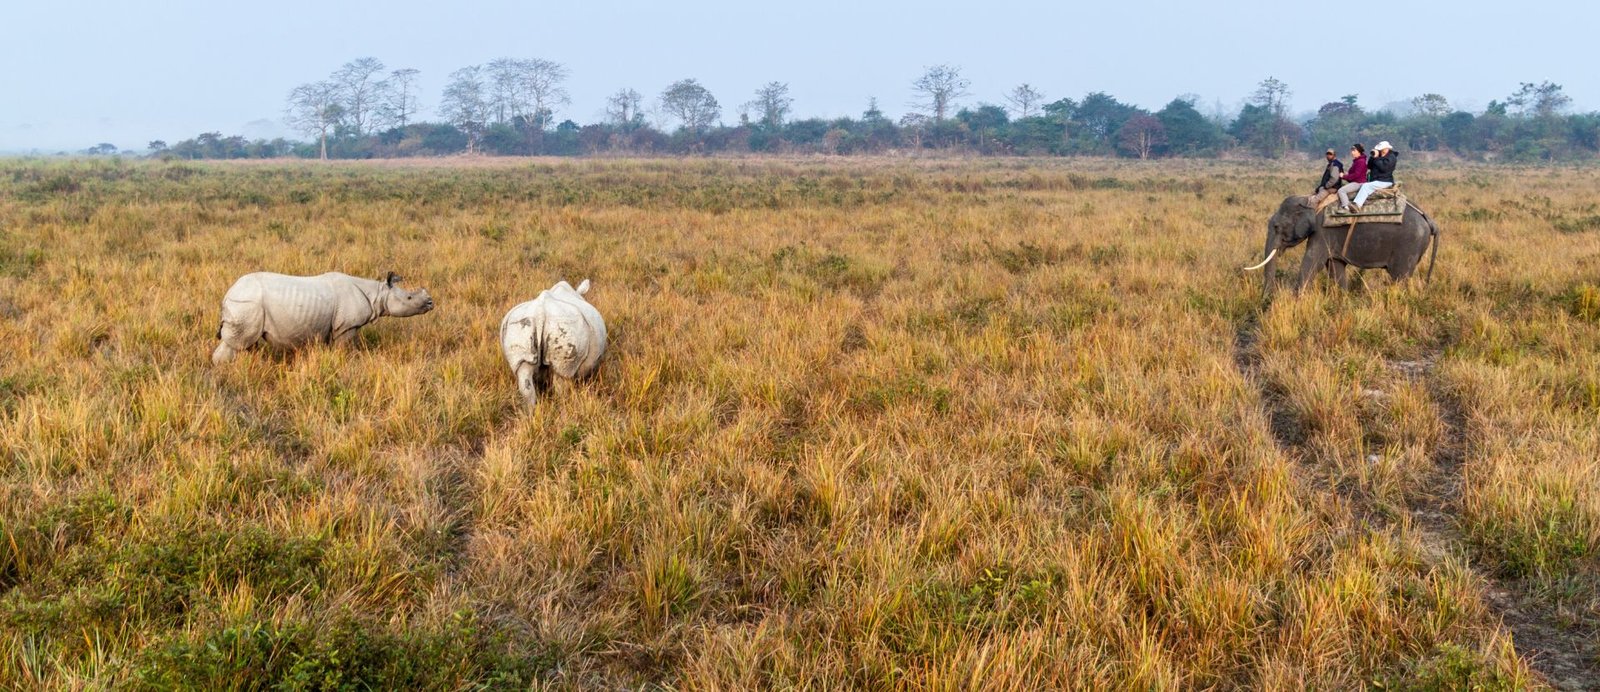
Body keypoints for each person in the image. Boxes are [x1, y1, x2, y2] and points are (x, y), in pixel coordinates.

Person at [1351, 141, 1398, 211]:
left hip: (1384, 180)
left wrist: (1376, 158)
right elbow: (1369, 166)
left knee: (1366, 186)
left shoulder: (1391, 157)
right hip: (1376, 180)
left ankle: (1357, 205)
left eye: (1381, 149)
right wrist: (1372, 157)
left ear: (1386, 149)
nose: (1380, 151)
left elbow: (1384, 168)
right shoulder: (1378, 155)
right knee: (1363, 185)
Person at [1335, 143, 1368, 213]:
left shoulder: (1361, 162)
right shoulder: (1357, 161)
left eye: (1354, 151)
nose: (1352, 153)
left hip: (1359, 183)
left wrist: (1343, 176)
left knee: (1341, 191)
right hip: (1356, 182)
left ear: (1359, 151)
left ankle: (1346, 208)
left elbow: (1356, 175)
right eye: (1352, 151)